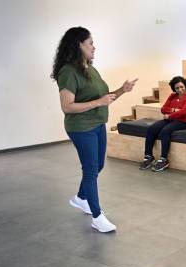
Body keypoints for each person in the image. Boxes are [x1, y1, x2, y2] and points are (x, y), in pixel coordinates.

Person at [53, 26, 137, 233]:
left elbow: (104, 98)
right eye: (90, 43)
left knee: (98, 165)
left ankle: (81, 198)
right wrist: (97, 102)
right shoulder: (68, 72)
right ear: (77, 45)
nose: (94, 47)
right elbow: (67, 106)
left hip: (98, 124)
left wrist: (122, 91)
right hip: (82, 128)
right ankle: (97, 216)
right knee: (90, 170)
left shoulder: (90, 69)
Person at [140, 76, 186, 172]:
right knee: (151, 128)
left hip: (184, 122)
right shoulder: (172, 96)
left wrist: (170, 115)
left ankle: (164, 159)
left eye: (182, 87)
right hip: (171, 120)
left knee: (165, 131)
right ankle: (148, 156)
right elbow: (163, 109)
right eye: (177, 88)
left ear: (185, 86)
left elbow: (184, 112)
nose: (180, 89)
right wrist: (174, 110)